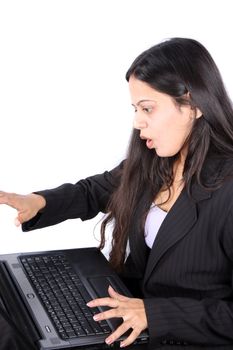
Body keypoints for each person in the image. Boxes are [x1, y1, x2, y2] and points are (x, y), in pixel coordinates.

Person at [1, 37, 233, 349]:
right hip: (124, 312)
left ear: (194, 105)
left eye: (148, 108)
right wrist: (38, 201)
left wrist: (154, 314)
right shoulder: (156, 161)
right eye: (136, 108)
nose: (138, 122)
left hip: (177, 335)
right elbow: (94, 191)